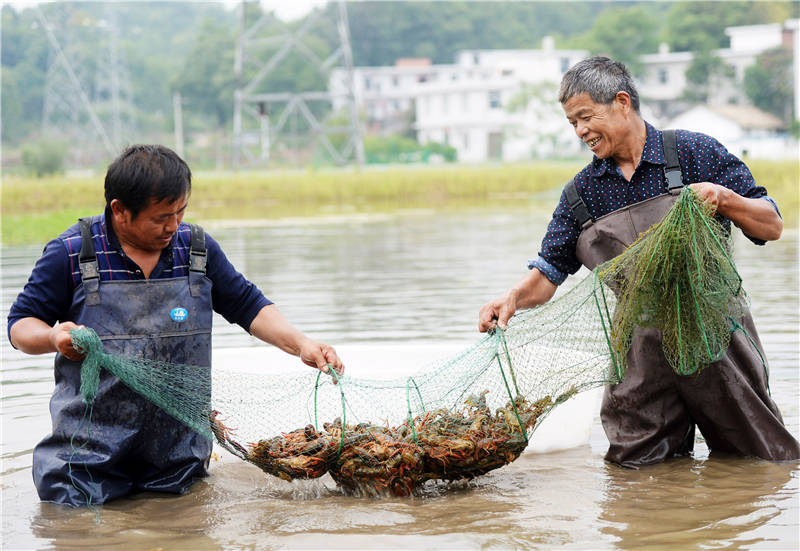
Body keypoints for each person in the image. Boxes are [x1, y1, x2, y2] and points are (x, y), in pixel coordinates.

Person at [478, 56, 799, 467]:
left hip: (719, 343)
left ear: (622, 102)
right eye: (572, 123)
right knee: (634, 478)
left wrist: (723, 197)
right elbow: (548, 273)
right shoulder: (582, 193)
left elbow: (770, 225)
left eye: (585, 117)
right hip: (640, 361)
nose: (580, 131)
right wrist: (511, 300)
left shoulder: (693, 152)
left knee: (761, 465)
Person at [8, 144, 344, 506]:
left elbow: (248, 305)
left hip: (178, 460)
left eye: (180, 212)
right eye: (160, 217)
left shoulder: (196, 250)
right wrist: (52, 336)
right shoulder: (72, 253)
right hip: (85, 463)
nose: (173, 225)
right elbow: (20, 326)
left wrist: (302, 344)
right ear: (119, 210)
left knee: (182, 527)